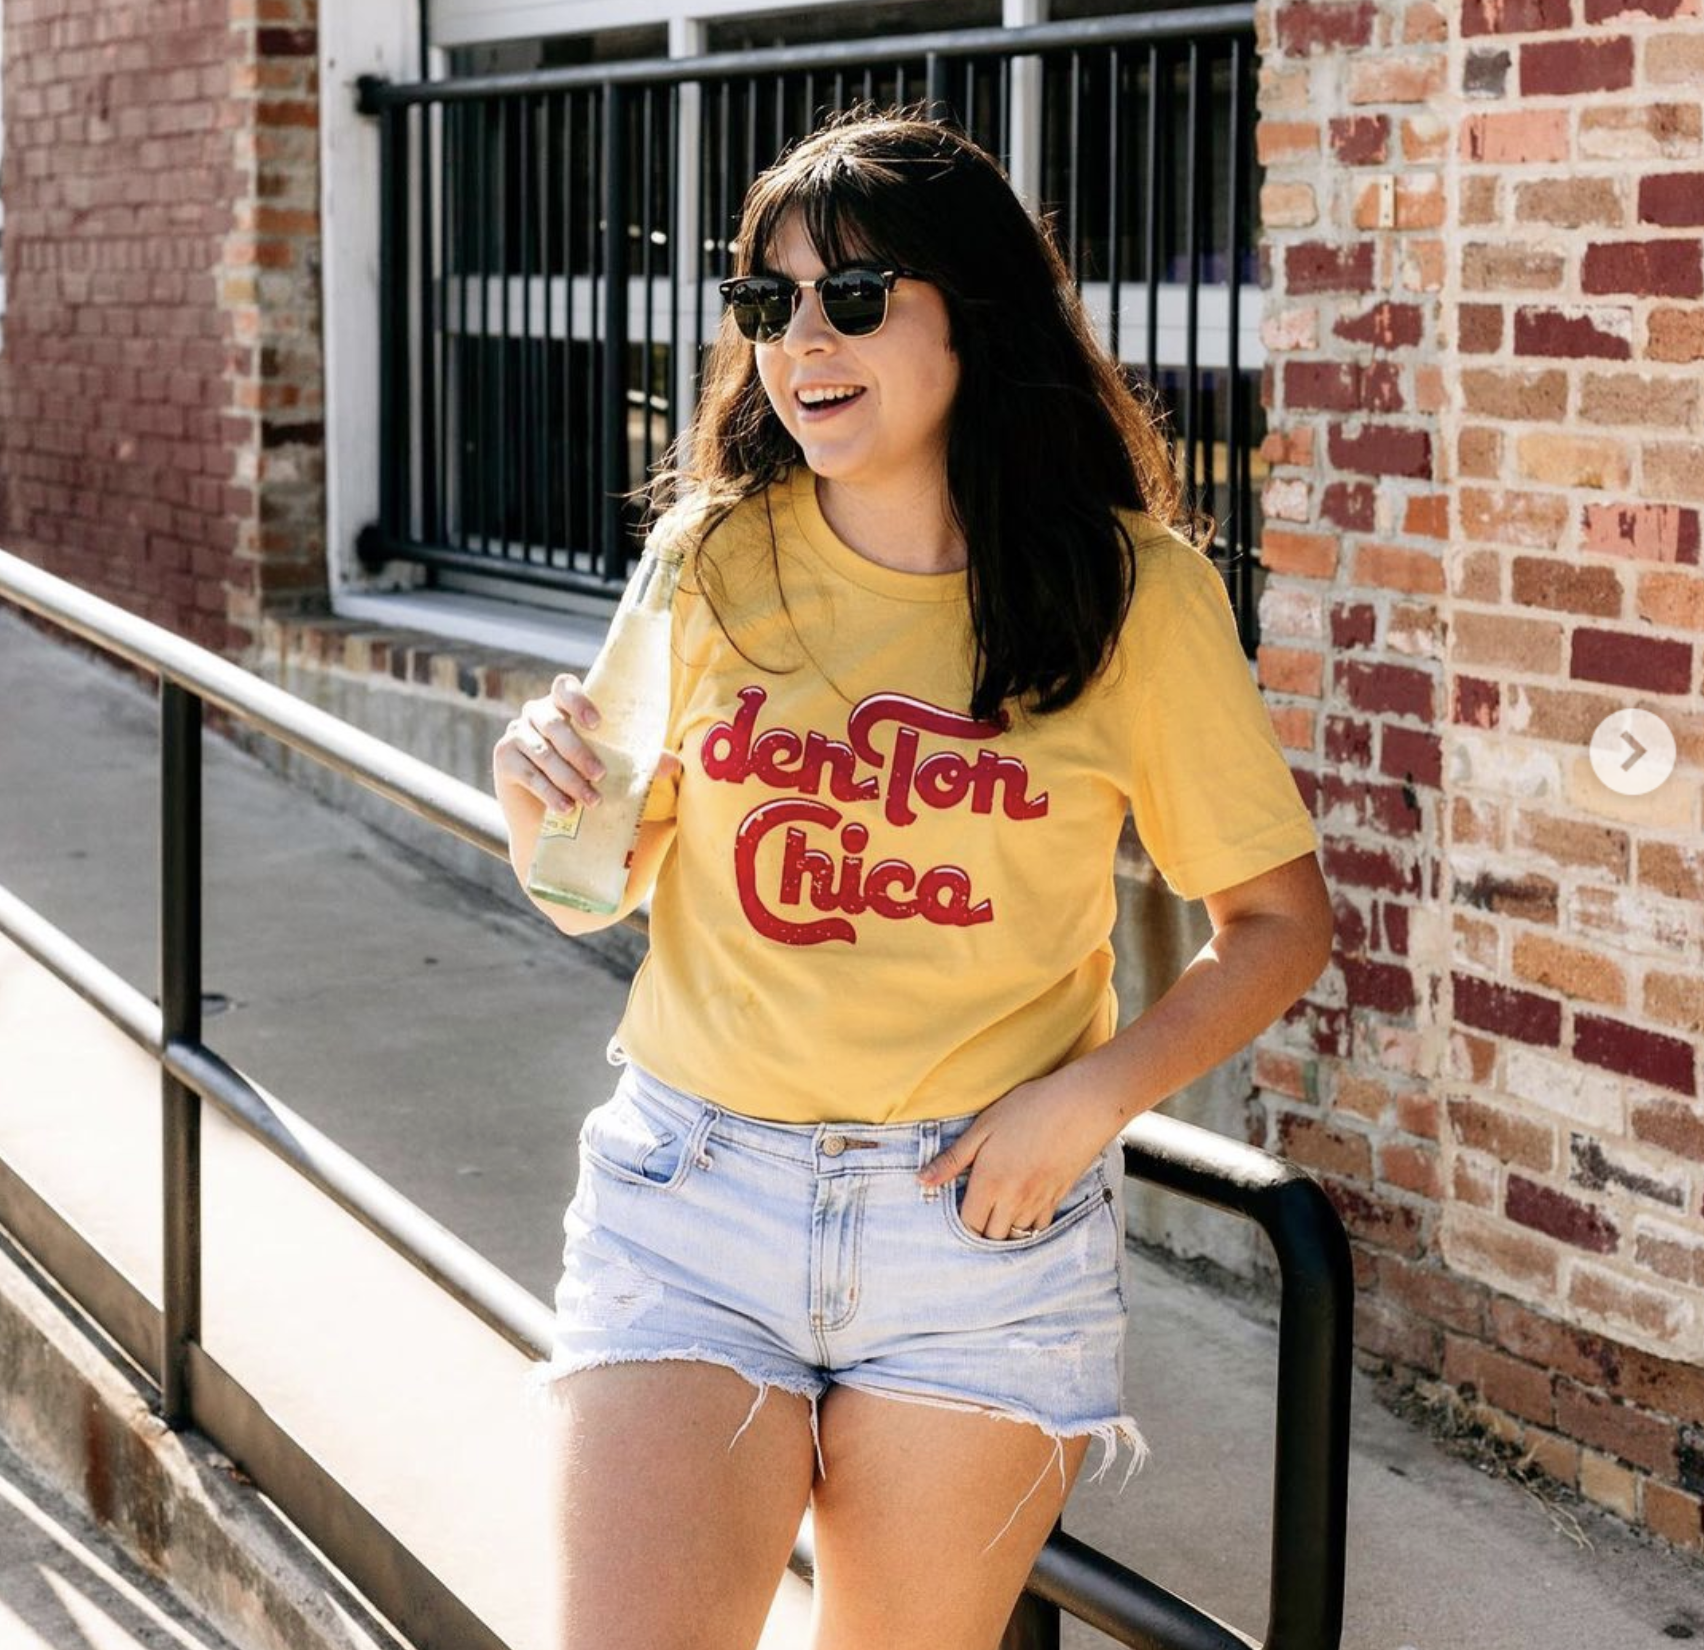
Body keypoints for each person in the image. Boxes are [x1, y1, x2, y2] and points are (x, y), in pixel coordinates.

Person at [491, 105, 1332, 1650]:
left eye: (856, 296)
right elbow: (580, 885)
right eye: (770, 303)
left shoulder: (1134, 593)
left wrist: (1089, 1102)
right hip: (694, 1201)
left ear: (974, 315)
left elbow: (1279, 924)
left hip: (979, 1235)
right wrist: (533, 793)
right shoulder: (711, 558)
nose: (804, 338)